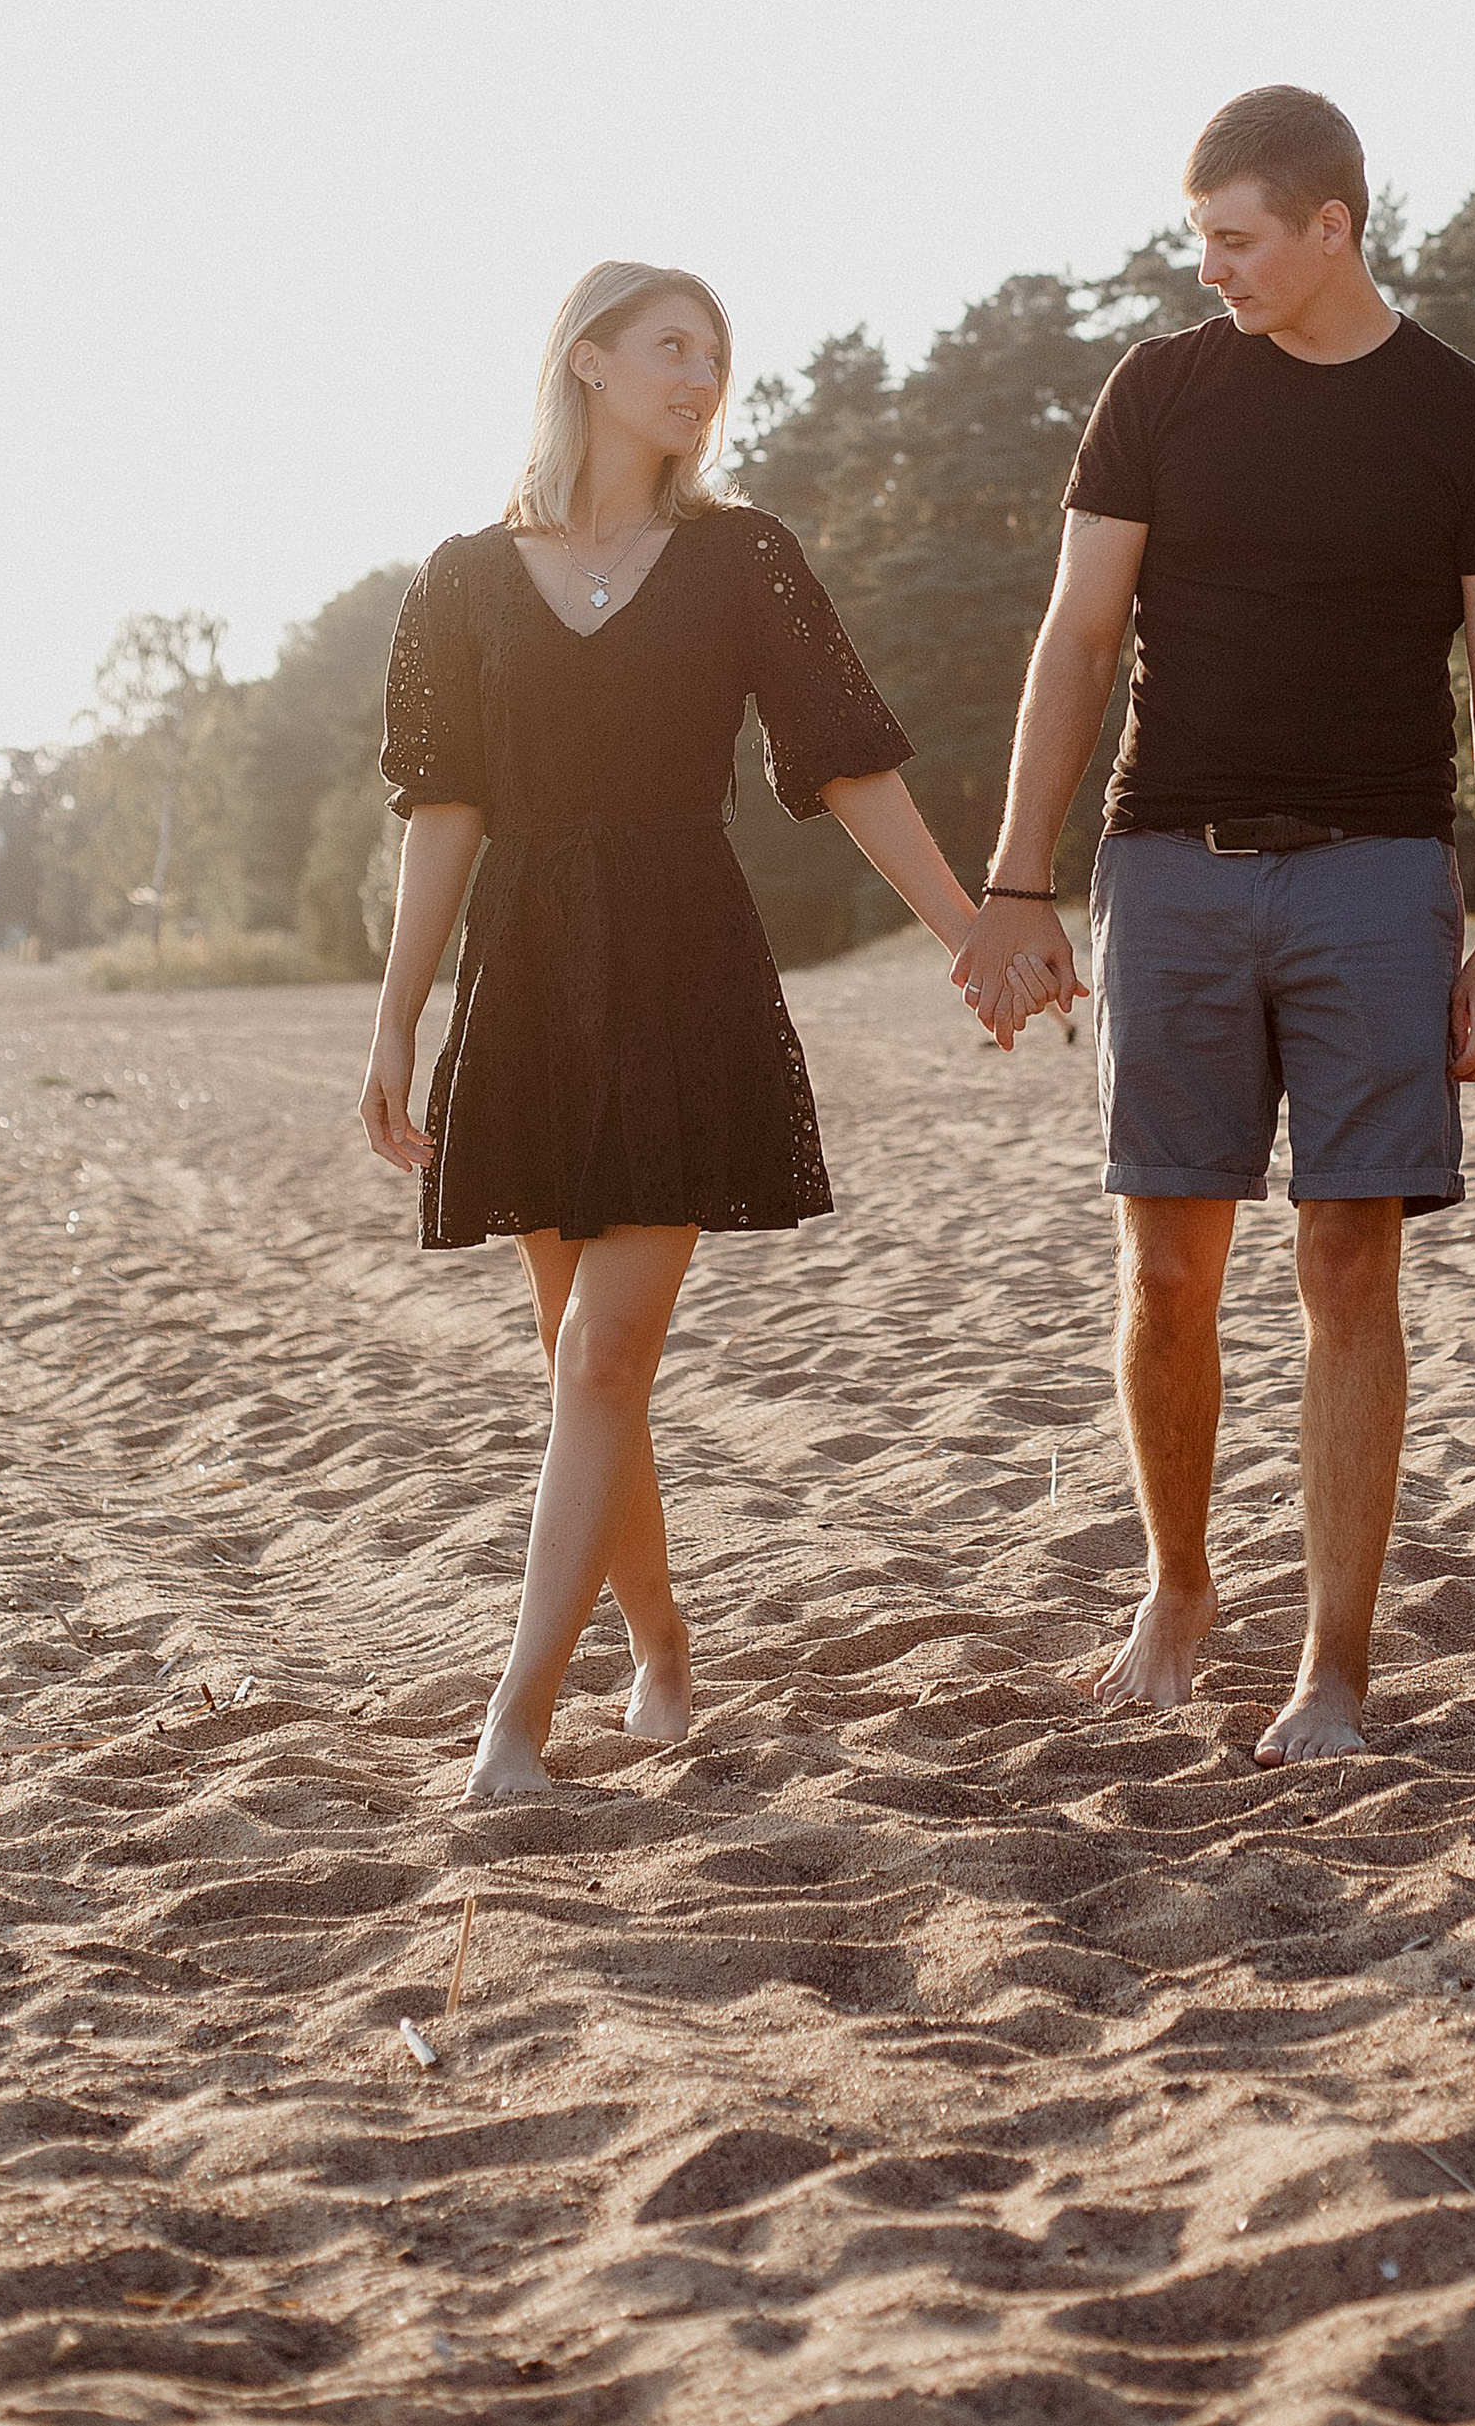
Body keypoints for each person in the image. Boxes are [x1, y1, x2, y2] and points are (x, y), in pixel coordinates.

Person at [361, 258, 1046, 1803]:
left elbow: (844, 760)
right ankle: (662, 1645)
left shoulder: (745, 558)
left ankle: (517, 1716)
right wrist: (397, 1017)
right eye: (672, 346)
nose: (699, 378)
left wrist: (966, 929)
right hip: (527, 974)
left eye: (715, 358)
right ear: (588, 362)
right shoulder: (462, 577)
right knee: (581, 1366)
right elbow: (443, 810)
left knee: (604, 1352)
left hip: (683, 967)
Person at [952, 86, 1475, 1763]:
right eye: (1198, 236)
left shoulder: (1468, 417)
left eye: (1234, 237)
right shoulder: (1158, 390)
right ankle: (1178, 1585)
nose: (1206, 266)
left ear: (1330, 226)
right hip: (1171, 865)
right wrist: (1016, 874)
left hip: (1379, 873)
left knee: (1351, 1258)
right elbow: (1078, 638)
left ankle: (1334, 1669)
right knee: (1168, 1267)